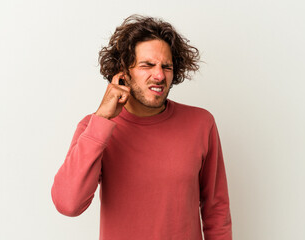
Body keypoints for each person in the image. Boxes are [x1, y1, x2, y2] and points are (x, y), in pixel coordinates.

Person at [51, 14, 232, 240]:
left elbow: (217, 210)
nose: (159, 75)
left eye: (166, 66)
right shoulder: (94, 127)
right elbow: (68, 204)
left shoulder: (201, 123)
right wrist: (102, 120)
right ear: (124, 71)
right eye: (147, 65)